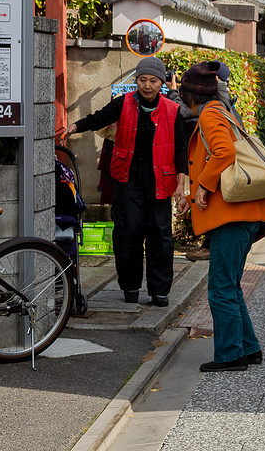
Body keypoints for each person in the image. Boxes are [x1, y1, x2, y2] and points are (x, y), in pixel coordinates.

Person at [179, 60, 265, 372]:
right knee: (230, 285)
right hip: (245, 213)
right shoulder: (221, 111)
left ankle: (230, 355)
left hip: (231, 216)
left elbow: (224, 152)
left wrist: (202, 188)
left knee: (220, 287)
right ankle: (248, 349)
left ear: (189, 94)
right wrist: (191, 194)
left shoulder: (209, 114)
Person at [64, 57, 187, 307]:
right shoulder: (123, 103)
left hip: (160, 177)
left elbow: (181, 151)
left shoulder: (173, 111)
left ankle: (159, 291)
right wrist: (73, 127)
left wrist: (181, 185)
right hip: (128, 177)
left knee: (160, 235)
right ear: (137, 81)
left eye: (153, 81)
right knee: (127, 232)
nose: (147, 85)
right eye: (143, 80)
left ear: (162, 83)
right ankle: (130, 286)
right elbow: (99, 118)